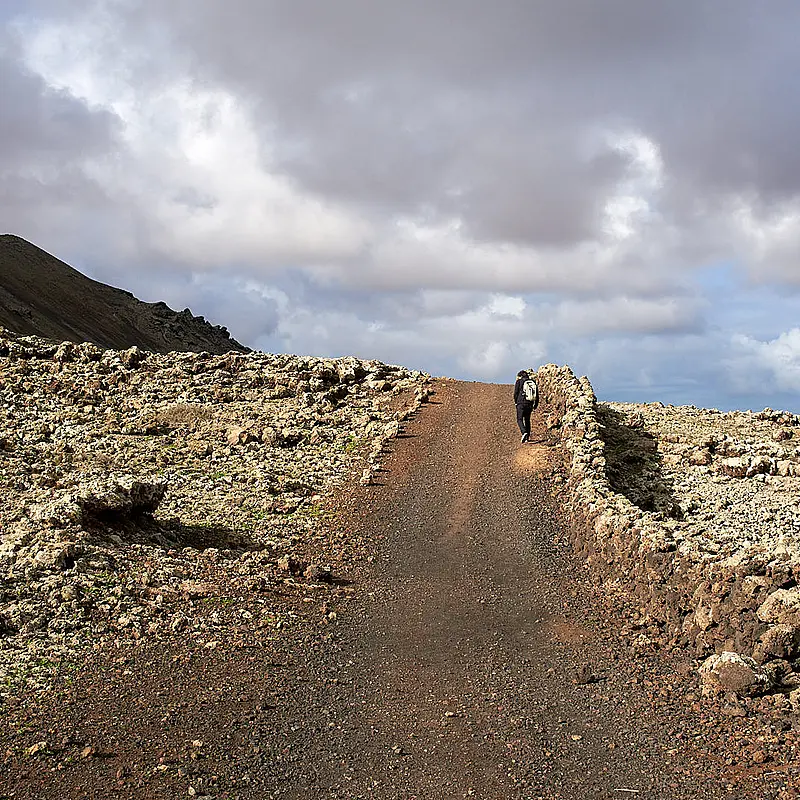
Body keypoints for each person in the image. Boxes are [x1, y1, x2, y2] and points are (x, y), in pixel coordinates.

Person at [513, 369, 538, 443]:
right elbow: (536, 394)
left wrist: (516, 402)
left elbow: (515, 393)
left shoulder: (519, 381)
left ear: (520, 376)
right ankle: (527, 438)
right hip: (530, 403)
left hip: (521, 403)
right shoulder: (533, 382)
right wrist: (535, 404)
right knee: (527, 420)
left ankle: (524, 432)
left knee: (519, 419)